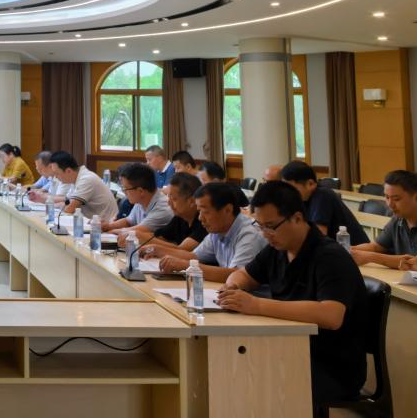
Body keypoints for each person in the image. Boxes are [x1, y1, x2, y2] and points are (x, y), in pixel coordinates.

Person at [217, 181, 368, 407]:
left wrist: (256, 305)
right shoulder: (277, 249)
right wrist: (232, 287)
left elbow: (331, 315)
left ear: (297, 218)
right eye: (260, 226)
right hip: (289, 347)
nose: (266, 234)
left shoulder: (330, 256)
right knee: (231, 368)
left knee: (249, 379)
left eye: (271, 226)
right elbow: (244, 275)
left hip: (330, 365)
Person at [155, 182, 266, 281]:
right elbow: (194, 256)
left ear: (227, 209)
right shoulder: (217, 230)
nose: (200, 218)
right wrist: (158, 250)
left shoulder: (249, 234)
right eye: (199, 211)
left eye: (205, 212)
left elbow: (238, 275)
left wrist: (186, 266)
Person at [351, 169, 417, 269]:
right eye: (387, 197)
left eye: (396, 199)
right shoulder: (398, 219)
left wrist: (370, 257)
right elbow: (375, 246)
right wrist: (348, 250)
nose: (390, 204)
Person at [280, 161, 368, 245]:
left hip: (356, 251)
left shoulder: (323, 195)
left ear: (310, 184)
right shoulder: (303, 199)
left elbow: (318, 238)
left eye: (292, 189)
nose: (288, 193)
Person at [33, 150, 118, 221]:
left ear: (68, 171)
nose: (56, 177)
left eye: (57, 174)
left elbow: (70, 208)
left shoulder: (86, 179)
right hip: (92, 222)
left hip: (104, 227)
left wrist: (53, 206)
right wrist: (50, 206)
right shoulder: (76, 179)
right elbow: (67, 202)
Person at [143, 172, 207, 250]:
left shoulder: (204, 220)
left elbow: (183, 250)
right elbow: (158, 236)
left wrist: (141, 236)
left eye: (174, 199)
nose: (169, 203)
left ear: (191, 201)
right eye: (168, 197)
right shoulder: (180, 217)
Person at [104, 162, 173, 234]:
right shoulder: (141, 199)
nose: (124, 192)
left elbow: (137, 231)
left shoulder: (162, 208)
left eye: (125, 189)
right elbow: (128, 221)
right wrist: (108, 226)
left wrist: (107, 232)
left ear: (140, 191)